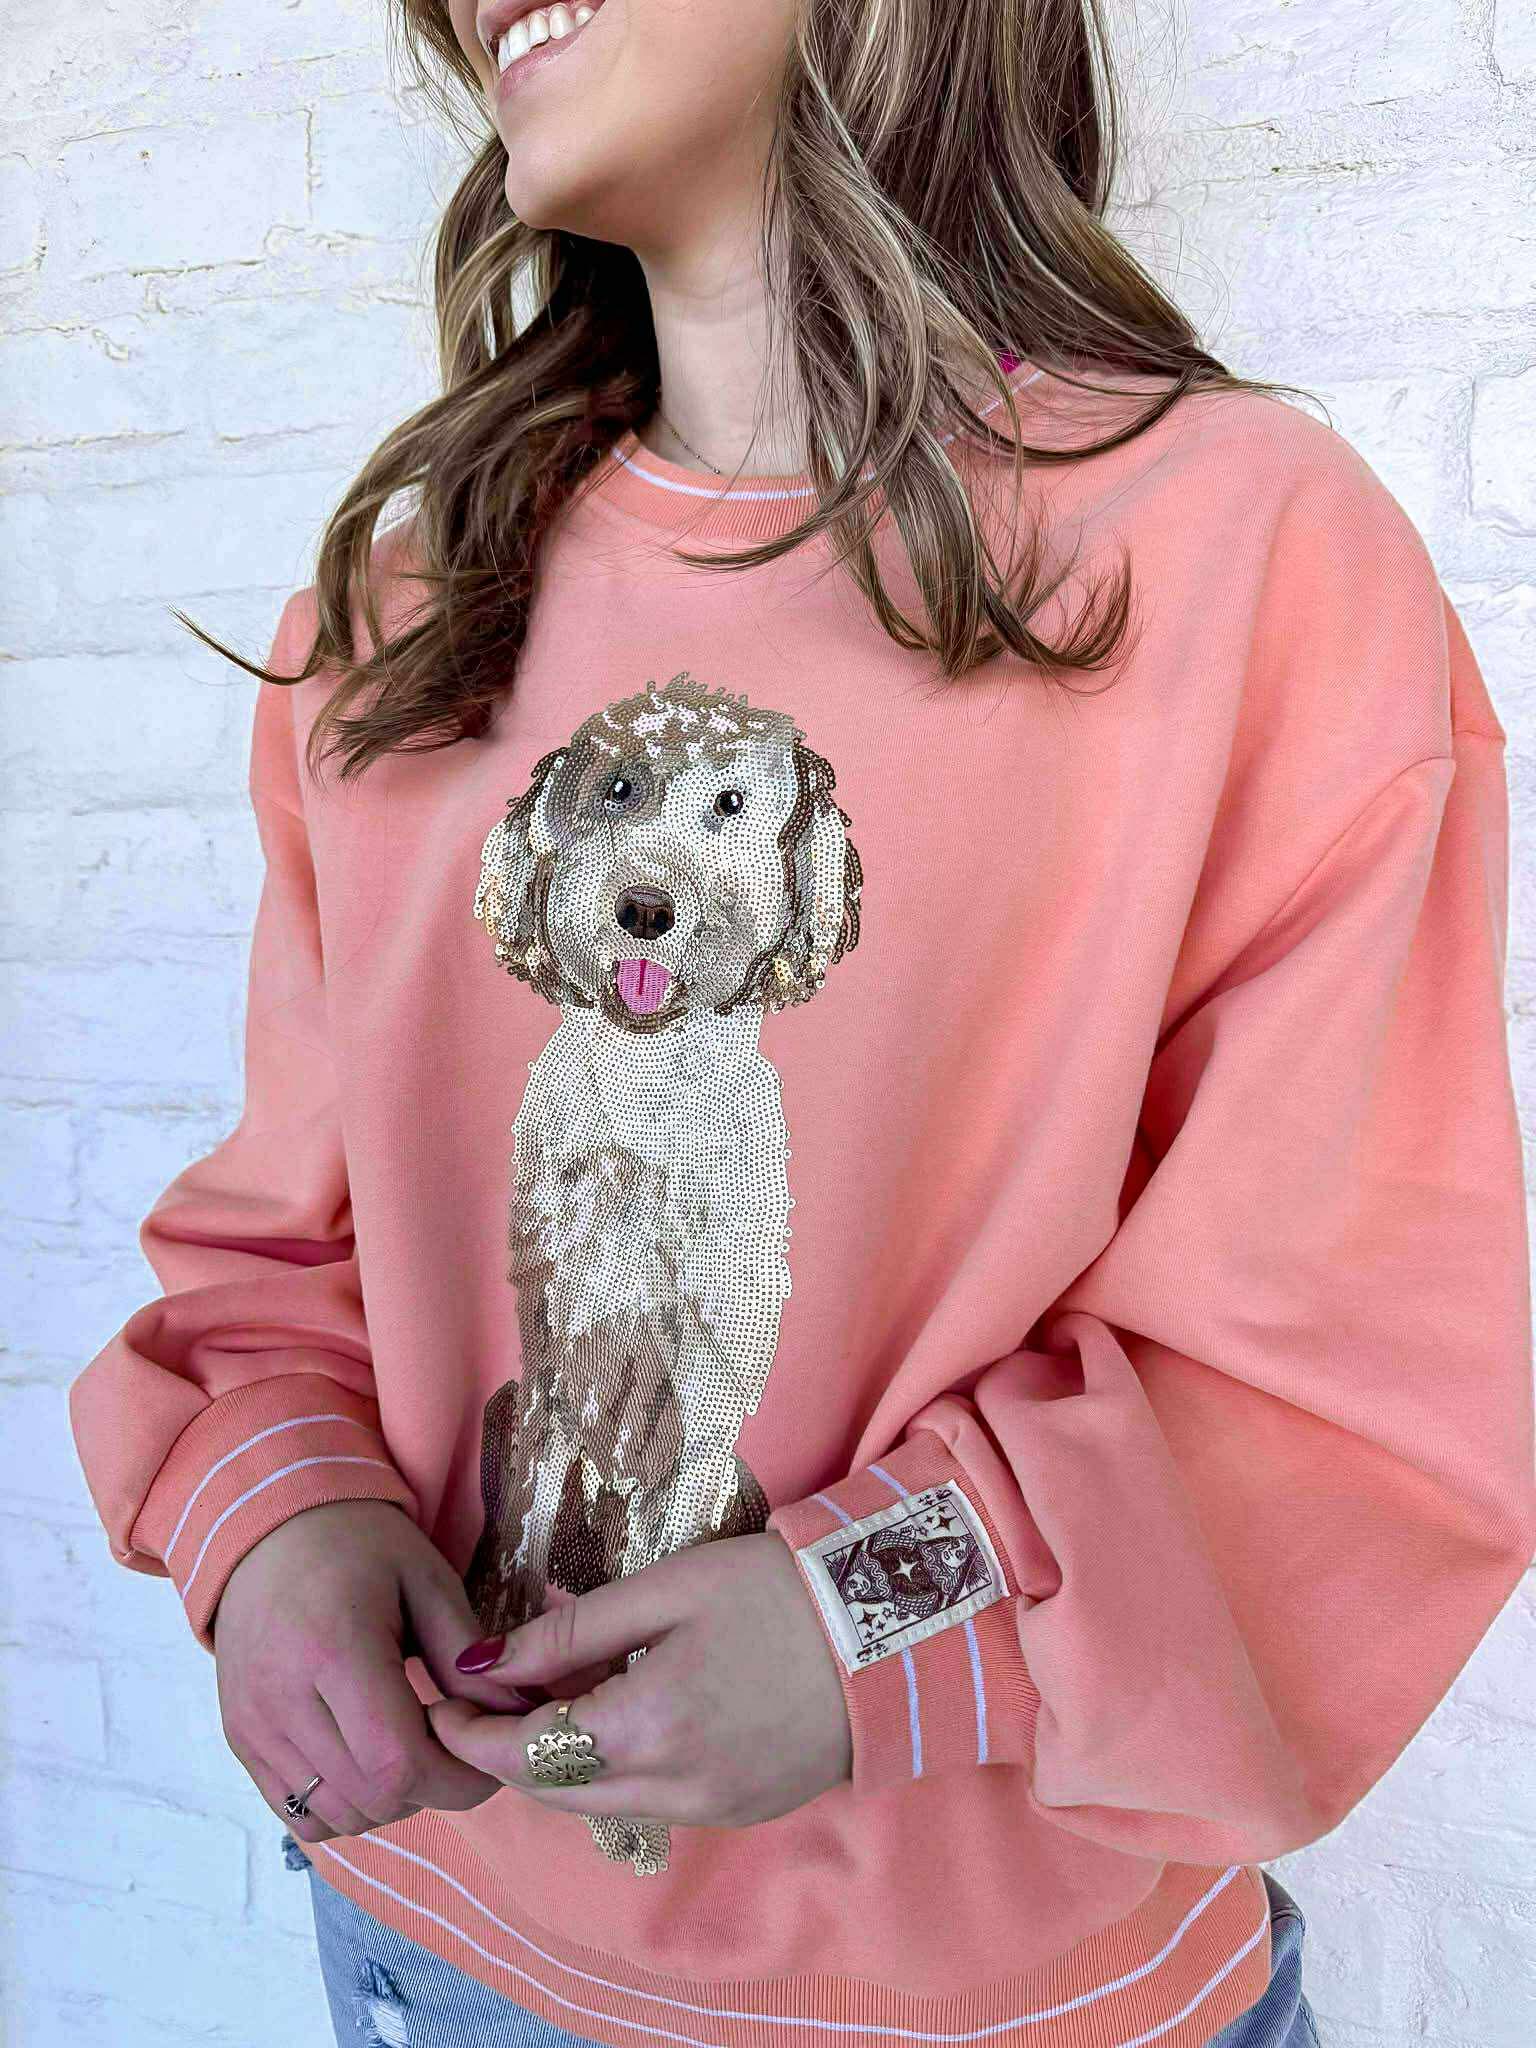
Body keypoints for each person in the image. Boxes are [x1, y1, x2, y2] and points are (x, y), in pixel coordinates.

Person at [68, 2, 1535, 2045]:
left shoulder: (1240, 564)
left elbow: (1349, 1377)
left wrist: (871, 1615)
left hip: (999, 2002)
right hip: (428, 1945)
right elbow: (289, 1254)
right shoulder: (406, 622)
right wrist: (285, 1513)